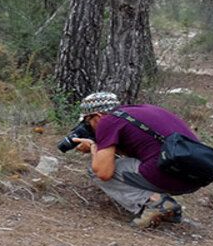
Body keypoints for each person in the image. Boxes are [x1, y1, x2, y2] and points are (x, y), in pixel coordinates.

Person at [67, 91, 203, 228]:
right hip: (194, 178)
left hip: (172, 174)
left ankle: (156, 202)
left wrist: (93, 146)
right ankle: (166, 208)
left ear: (97, 116)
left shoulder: (107, 120)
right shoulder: (140, 111)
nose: (89, 126)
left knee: (94, 170)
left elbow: (103, 172)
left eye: (87, 121)